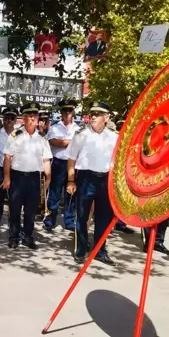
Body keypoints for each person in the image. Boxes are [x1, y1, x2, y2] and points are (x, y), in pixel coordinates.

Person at [67, 101, 118, 266]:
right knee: (82, 215)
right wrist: (71, 180)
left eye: (98, 114)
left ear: (107, 117)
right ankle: (81, 249)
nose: (94, 116)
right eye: (92, 114)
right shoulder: (81, 134)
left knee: (104, 217)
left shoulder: (114, 136)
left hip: (105, 179)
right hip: (85, 178)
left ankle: (100, 250)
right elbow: (71, 159)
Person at [2, 102, 52, 249]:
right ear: (23, 118)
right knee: (15, 209)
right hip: (17, 177)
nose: (32, 118)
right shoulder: (15, 136)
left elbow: (46, 160)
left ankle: (28, 237)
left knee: (31, 210)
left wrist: (48, 177)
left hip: (34, 178)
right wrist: (7, 177)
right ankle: (14, 237)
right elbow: (7, 157)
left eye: (35, 115)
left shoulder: (42, 138)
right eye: (29, 116)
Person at [44, 98, 79, 232]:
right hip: (58, 163)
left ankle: (69, 221)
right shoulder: (54, 127)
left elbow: (78, 145)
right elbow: (54, 142)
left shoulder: (79, 128)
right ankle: (50, 220)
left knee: (71, 193)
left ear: (73, 112)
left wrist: (64, 142)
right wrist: (71, 142)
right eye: (64, 111)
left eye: (69, 111)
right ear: (61, 112)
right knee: (54, 192)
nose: (67, 113)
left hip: (73, 164)